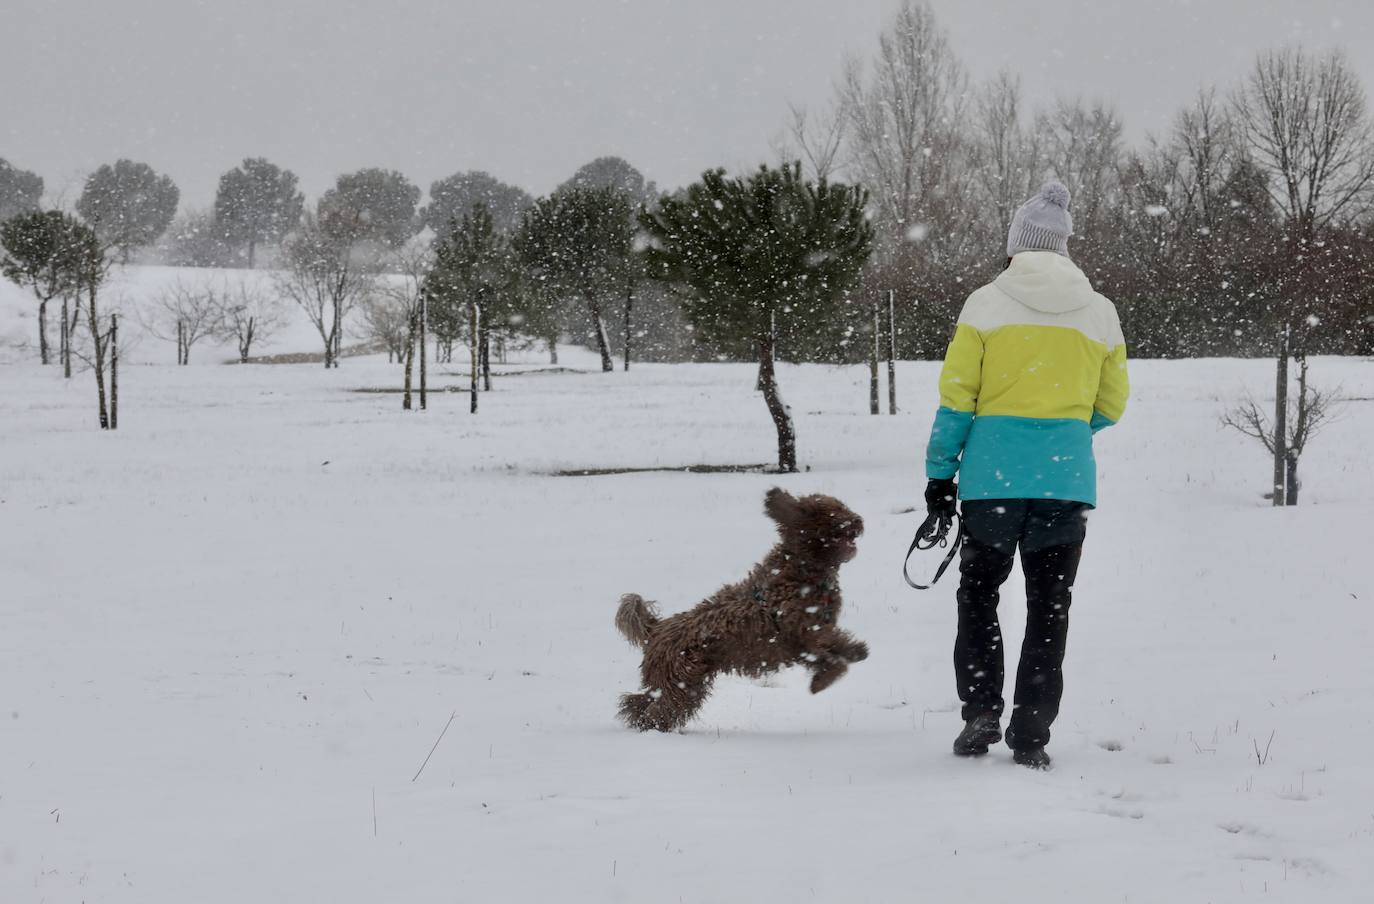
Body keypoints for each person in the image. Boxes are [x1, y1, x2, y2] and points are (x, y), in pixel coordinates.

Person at [922, 181, 1129, 770]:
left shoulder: (985, 303)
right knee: (1049, 605)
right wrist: (1063, 433)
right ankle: (1032, 733)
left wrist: (942, 475)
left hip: (991, 483)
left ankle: (981, 712)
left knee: (980, 595)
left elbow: (956, 400)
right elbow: (1112, 403)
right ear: (1064, 247)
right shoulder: (1100, 311)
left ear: (1016, 245)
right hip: (1065, 483)